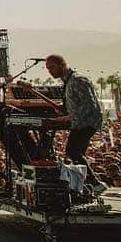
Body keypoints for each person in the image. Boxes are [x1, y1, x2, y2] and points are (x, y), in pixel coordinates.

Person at [45, 54, 106, 194]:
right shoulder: (69, 81)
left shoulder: (77, 80)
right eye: (48, 69)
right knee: (77, 153)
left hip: (87, 121)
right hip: (80, 122)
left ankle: (95, 183)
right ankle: (86, 185)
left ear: (62, 65)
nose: (50, 71)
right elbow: (76, 103)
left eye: (52, 67)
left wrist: (70, 117)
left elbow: (90, 104)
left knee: (73, 152)